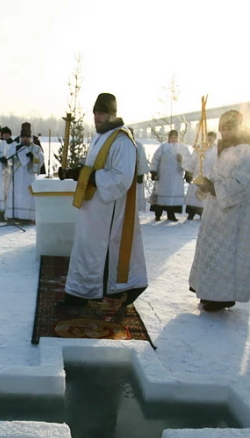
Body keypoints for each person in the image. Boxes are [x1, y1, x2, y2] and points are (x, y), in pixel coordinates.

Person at [59, 93, 148, 307]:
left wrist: (87, 175)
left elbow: (121, 178)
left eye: (102, 113)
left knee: (97, 251)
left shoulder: (122, 140)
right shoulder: (101, 136)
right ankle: (91, 291)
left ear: (113, 114)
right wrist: (74, 172)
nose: (97, 117)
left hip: (108, 211)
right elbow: (93, 166)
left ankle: (83, 295)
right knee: (87, 248)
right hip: (94, 206)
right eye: (96, 113)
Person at [188, 111, 250, 312]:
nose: (224, 132)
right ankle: (208, 291)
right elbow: (217, 175)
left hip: (234, 216)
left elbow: (242, 184)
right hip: (216, 211)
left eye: (229, 128)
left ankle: (223, 297)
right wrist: (204, 183)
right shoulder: (224, 149)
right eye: (222, 128)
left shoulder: (247, 152)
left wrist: (213, 187)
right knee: (212, 252)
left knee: (226, 255)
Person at [4, 122, 42, 223]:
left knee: (28, 196)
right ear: (20, 137)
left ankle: (29, 217)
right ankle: (14, 216)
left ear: (30, 137)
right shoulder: (15, 147)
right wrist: (15, 151)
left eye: (27, 137)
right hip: (17, 176)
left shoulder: (36, 148)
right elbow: (9, 159)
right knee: (16, 196)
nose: (25, 139)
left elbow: (41, 159)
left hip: (29, 176)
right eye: (23, 137)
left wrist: (33, 157)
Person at [149, 130, 190, 221]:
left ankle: (171, 214)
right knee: (160, 195)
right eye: (172, 137)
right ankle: (158, 214)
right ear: (168, 138)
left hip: (176, 176)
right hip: (163, 176)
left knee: (172, 196)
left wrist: (182, 160)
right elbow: (156, 159)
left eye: (175, 137)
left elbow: (188, 162)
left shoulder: (182, 148)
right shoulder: (163, 147)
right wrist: (153, 171)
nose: (174, 139)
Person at [184, 131, 218, 220]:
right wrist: (188, 172)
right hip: (197, 174)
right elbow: (192, 161)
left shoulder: (217, 150)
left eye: (212, 138)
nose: (210, 140)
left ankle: (203, 213)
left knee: (205, 196)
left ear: (215, 139)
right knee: (194, 194)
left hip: (209, 176)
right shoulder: (199, 148)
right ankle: (191, 213)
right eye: (208, 138)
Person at [134, 137, 149, 212]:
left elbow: (142, 159)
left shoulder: (138, 145)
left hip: (136, 173)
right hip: (124, 174)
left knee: (137, 193)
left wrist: (140, 173)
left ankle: (138, 208)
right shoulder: (120, 144)